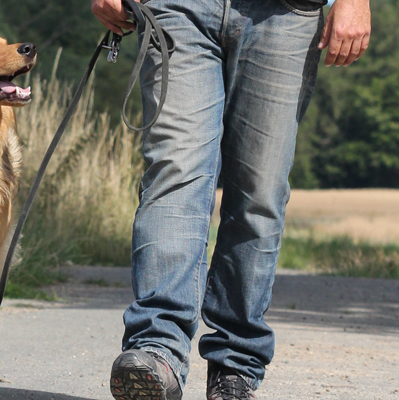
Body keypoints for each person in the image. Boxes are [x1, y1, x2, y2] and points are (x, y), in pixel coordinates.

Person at [92, 0, 370, 398]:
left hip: (286, 13)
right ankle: (157, 350)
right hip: (177, 8)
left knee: (259, 193)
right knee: (174, 172)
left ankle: (235, 367)